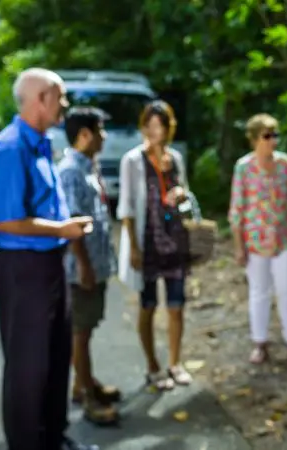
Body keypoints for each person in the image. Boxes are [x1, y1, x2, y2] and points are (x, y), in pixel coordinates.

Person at [0, 67, 99, 450]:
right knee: (27, 367)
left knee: (54, 355)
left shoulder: (41, 144)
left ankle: (54, 438)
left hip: (50, 267)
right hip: (22, 272)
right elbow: (3, 219)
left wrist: (65, 230)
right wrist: (61, 230)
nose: (65, 105)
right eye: (60, 97)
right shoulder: (9, 147)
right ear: (41, 100)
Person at [228, 113, 287, 364]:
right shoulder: (243, 167)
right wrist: (238, 245)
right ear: (254, 139)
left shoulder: (284, 164)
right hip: (255, 241)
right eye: (267, 135)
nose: (272, 140)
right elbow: (237, 208)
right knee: (259, 292)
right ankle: (260, 343)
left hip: (284, 240)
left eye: (275, 135)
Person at [117, 100, 193, 390]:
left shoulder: (175, 158)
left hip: (174, 242)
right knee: (147, 306)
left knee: (176, 306)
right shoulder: (132, 160)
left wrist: (181, 194)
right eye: (148, 124)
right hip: (146, 244)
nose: (153, 130)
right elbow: (125, 208)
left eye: (159, 125)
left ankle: (175, 363)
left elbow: (184, 194)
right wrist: (133, 248)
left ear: (167, 128)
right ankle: (152, 366)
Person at [57, 106, 120, 426]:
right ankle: (87, 398)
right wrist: (83, 266)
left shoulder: (87, 166)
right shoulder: (70, 171)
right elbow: (72, 223)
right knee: (80, 332)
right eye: (100, 130)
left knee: (88, 327)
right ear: (84, 135)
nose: (105, 136)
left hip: (95, 263)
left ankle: (86, 382)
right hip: (83, 268)